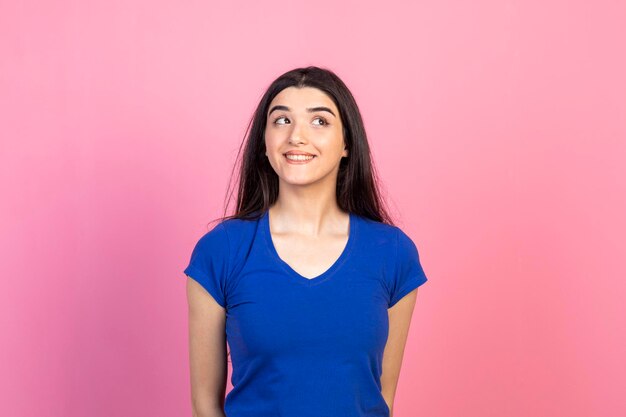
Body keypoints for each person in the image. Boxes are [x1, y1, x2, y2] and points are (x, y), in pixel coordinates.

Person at [183, 66, 429, 417]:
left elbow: (380, 399)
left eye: (320, 121)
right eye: (281, 120)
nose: (297, 136)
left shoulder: (393, 254)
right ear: (264, 144)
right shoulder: (219, 252)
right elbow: (204, 406)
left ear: (347, 144)